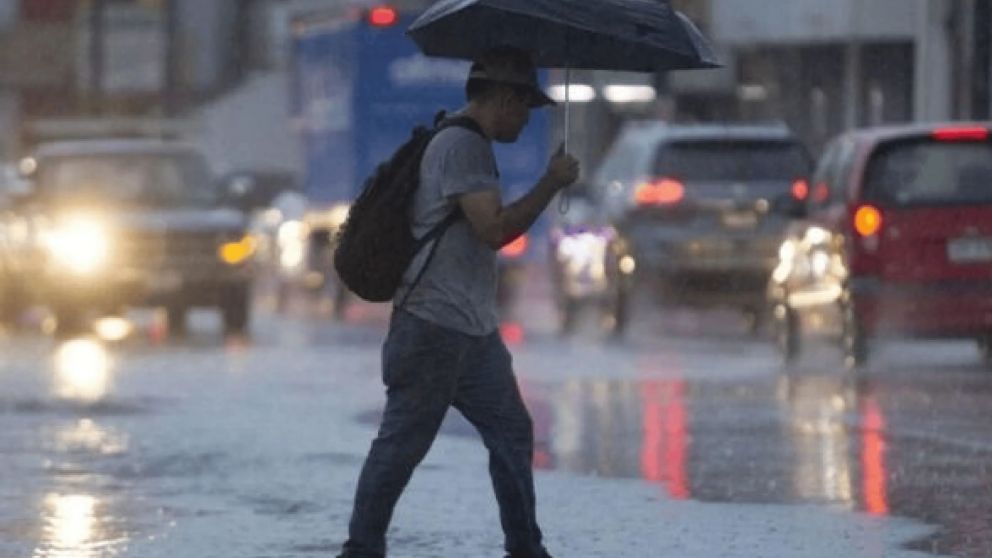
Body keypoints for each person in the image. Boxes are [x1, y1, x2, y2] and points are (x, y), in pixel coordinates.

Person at [337, 47, 579, 558]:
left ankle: (525, 547)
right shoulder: (462, 147)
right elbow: (494, 229)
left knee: (512, 431)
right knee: (403, 444)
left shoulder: (463, 142)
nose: (526, 120)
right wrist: (550, 183)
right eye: (525, 108)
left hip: (470, 329)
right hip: (433, 326)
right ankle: (361, 549)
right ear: (505, 99)